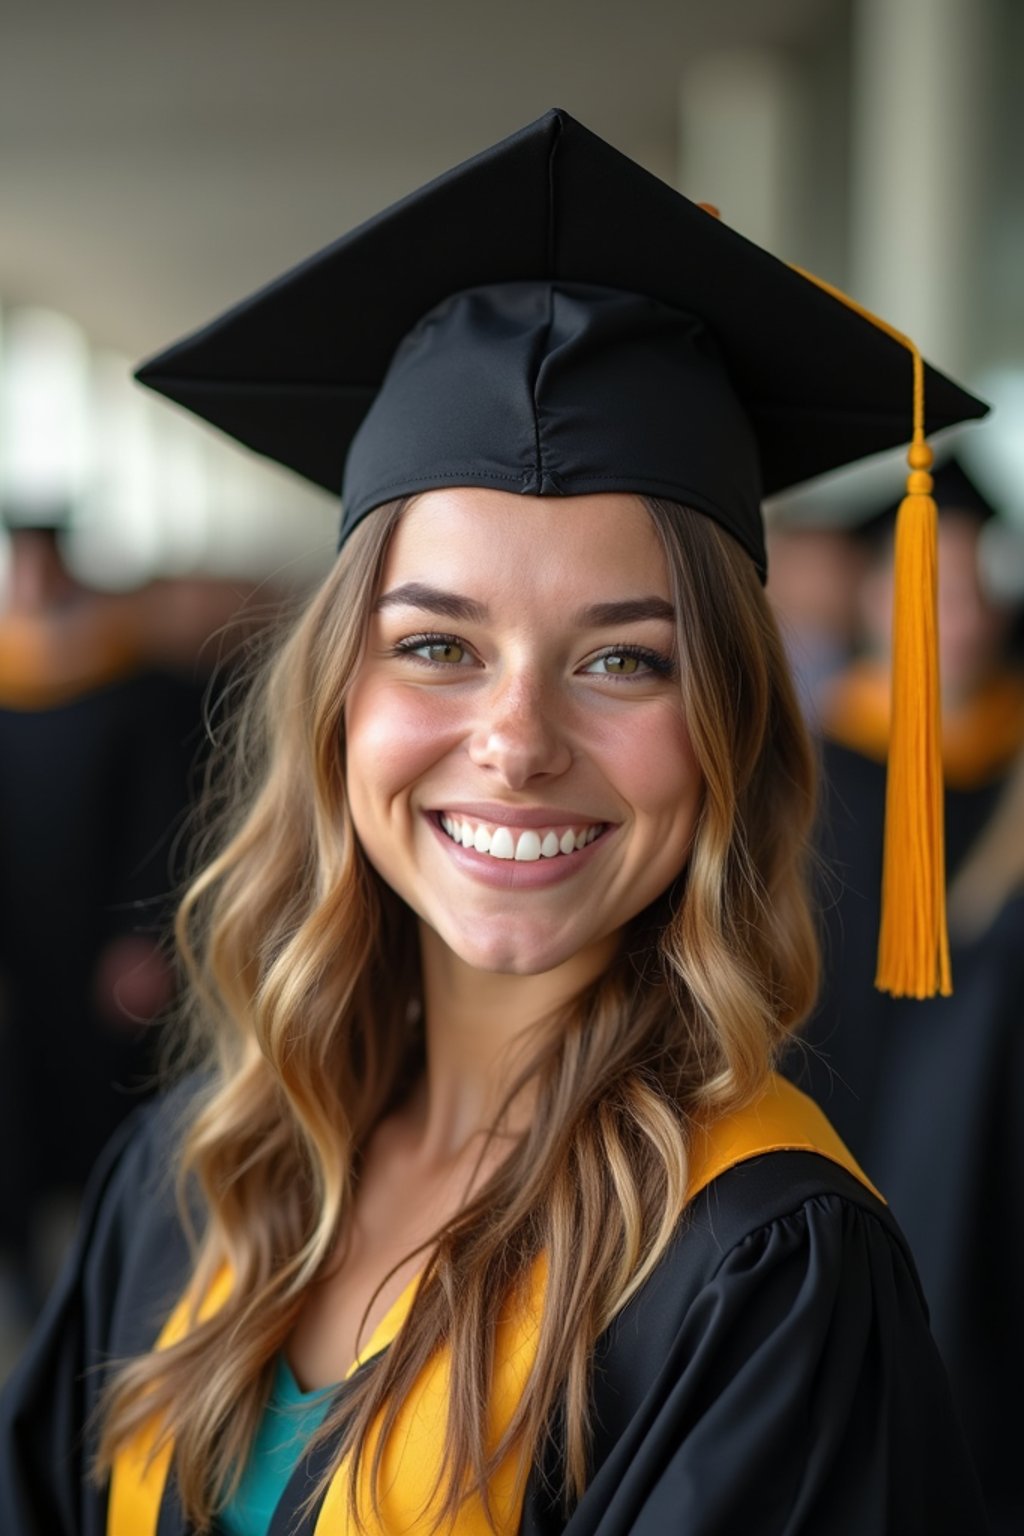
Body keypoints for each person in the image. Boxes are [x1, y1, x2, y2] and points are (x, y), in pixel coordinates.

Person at [0, 109, 990, 1536]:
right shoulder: (197, 1177)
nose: (517, 745)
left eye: (621, 659)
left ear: (728, 732)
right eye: (437, 646)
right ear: (336, 703)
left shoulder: (757, 1267)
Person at [791, 458, 1024, 1534]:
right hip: (845, 1120)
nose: (958, 615)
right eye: (931, 583)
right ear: (872, 594)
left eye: (977, 582)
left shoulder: (1012, 764)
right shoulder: (805, 769)